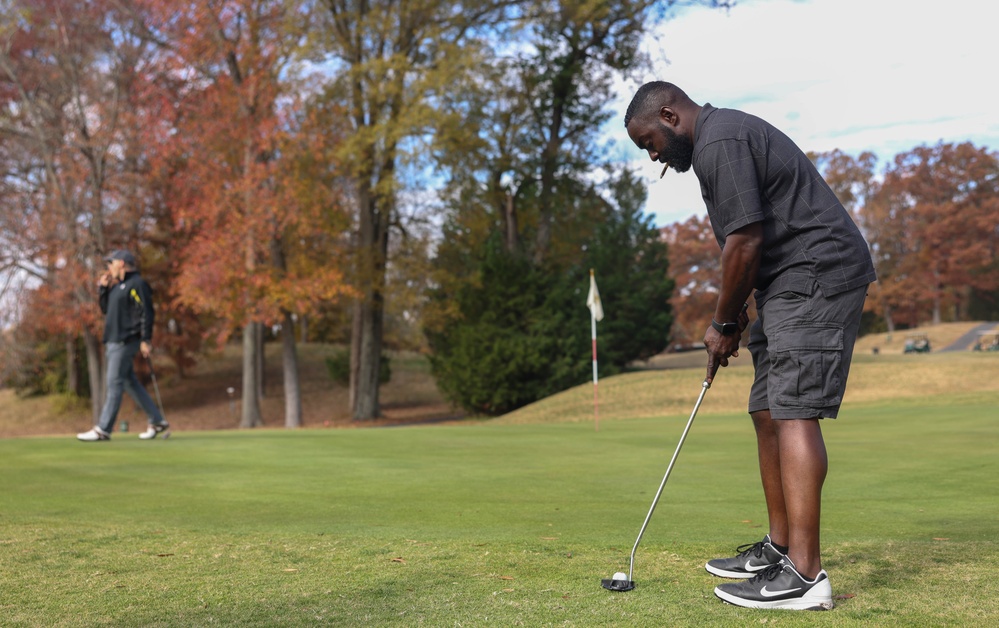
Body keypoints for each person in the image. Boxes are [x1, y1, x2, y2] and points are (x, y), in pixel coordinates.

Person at [625, 82, 876, 611]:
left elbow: (745, 241)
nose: (653, 157)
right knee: (766, 408)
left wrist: (721, 321)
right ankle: (780, 548)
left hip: (816, 273)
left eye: (649, 142)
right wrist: (736, 316)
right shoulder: (719, 142)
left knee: (791, 412)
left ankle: (805, 577)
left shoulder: (720, 141)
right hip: (784, 282)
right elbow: (746, 248)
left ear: (670, 115)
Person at [77, 250, 171, 442]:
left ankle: (103, 429)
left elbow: (147, 312)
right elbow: (105, 309)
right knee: (129, 382)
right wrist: (103, 289)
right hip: (113, 341)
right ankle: (157, 420)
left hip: (126, 341)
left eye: (110, 263)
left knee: (114, 383)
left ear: (121, 263)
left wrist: (146, 339)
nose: (108, 268)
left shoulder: (137, 284)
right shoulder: (117, 287)